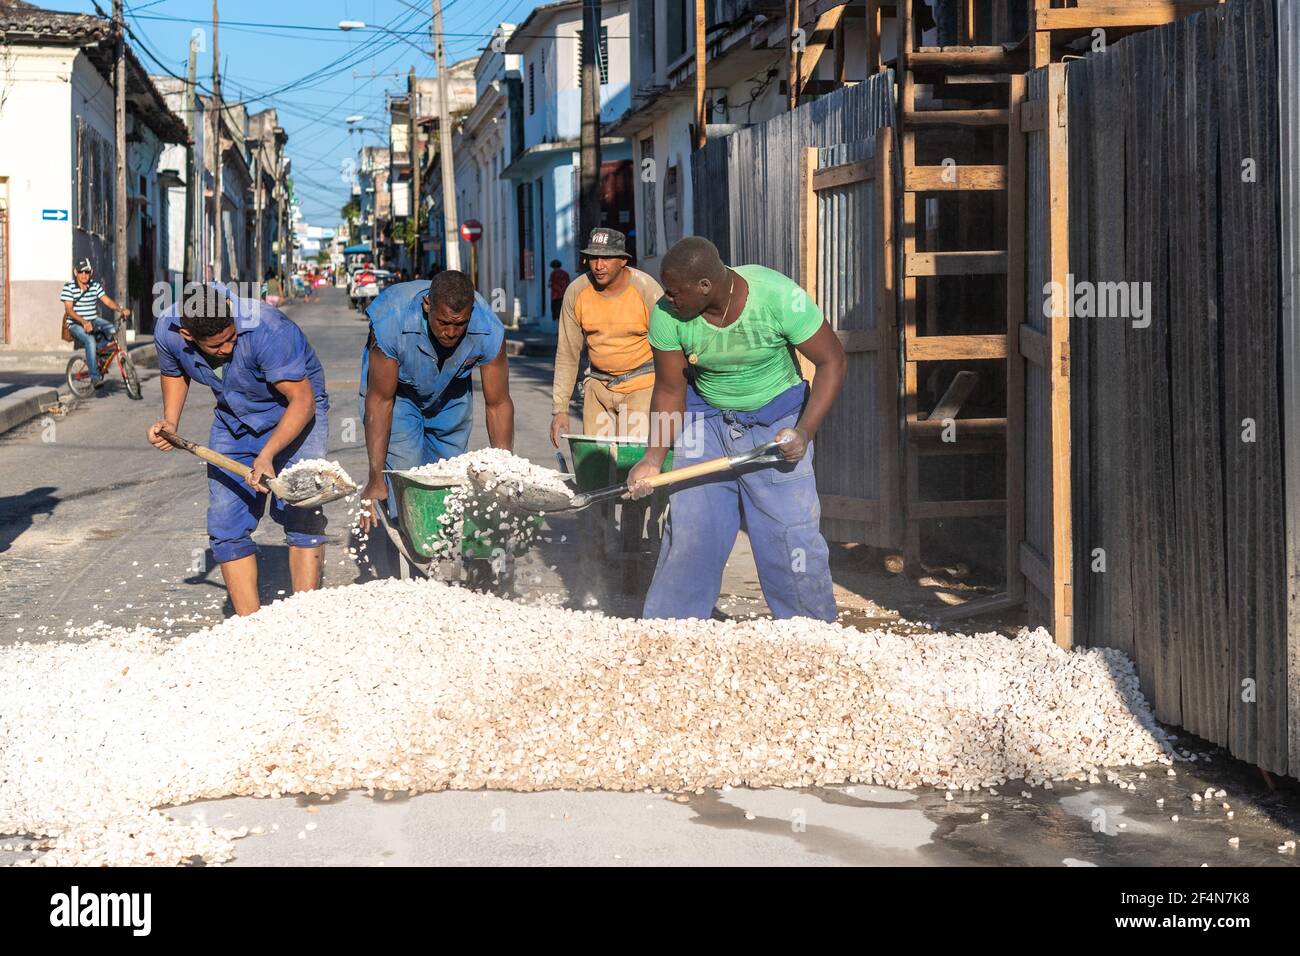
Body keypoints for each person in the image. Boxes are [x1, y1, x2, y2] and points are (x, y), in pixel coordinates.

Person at [626, 236, 847, 622]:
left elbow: (833, 361)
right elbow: (668, 389)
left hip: (777, 421)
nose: (668, 299)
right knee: (692, 530)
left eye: (676, 292)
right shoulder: (667, 315)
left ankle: (812, 636)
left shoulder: (777, 296)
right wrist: (652, 458)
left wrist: (805, 432)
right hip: (706, 422)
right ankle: (671, 633)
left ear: (705, 287)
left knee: (789, 535)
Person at [146, 285, 331, 616]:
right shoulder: (169, 330)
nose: (229, 347)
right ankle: (251, 628)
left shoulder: (268, 328)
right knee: (226, 522)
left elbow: (302, 401)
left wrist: (267, 454)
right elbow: (173, 371)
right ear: (188, 335)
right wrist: (170, 422)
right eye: (217, 346)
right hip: (235, 419)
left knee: (301, 511)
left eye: (232, 337)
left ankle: (307, 619)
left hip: (297, 416)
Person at [357, 270, 514, 534]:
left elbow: (497, 404)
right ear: (427, 305)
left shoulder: (489, 330)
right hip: (399, 395)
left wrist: (505, 471)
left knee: (447, 478)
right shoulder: (392, 321)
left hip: (451, 392)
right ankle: (405, 548)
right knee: (405, 478)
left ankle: (440, 550)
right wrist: (375, 477)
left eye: (460, 324)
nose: (451, 332)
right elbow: (380, 400)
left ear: (471, 312)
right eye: (443, 322)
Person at [550, 228, 662, 445]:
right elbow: (567, 353)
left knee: (632, 462)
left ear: (622, 260)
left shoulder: (646, 289)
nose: (598, 265)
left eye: (606, 258)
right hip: (598, 388)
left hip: (642, 386)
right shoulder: (577, 292)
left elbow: (669, 347)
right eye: (593, 258)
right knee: (597, 465)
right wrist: (560, 409)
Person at [60, 258, 130, 386]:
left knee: (112, 329)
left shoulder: (95, 286)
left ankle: (98, 353)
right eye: (81, 272)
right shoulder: (69, 287)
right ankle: (94, 377)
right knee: (90, 341)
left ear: (91, 272)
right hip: (75, 323)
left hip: (93, 319)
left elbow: (107, 301)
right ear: (75, 272)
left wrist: (121, 310)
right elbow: (69, 310)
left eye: (87, 272)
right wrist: (83, 321)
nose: (84, 275)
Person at [548, 259, 570, 324]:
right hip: (564, 295)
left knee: (557, 314)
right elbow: (568, 283)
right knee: (563, 313)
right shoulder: (565, 273)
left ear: (553, 267)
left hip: (555, 296)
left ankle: (559, 330)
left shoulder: (553, 274)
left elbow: (549, 284)